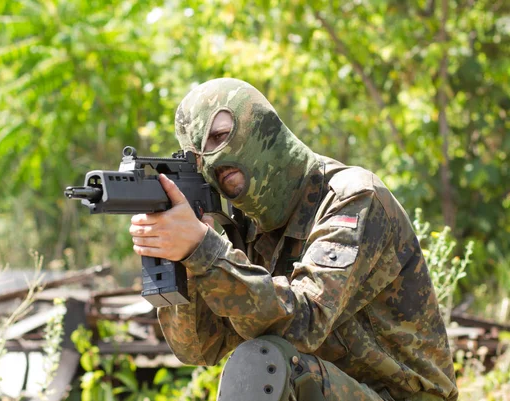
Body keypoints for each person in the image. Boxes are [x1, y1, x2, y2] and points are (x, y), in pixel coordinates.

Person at [129, 78, 458, 401]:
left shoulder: (352, 196)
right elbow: (201, 347)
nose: (211, 160)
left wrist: (204, 250)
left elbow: (304, 323)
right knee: (258, 362)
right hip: (334, 387)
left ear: (260, 126)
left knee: (265, 364)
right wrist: (181, 257)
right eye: (197, 156)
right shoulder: (247, 226)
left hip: (402, 396)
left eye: (220, 136)